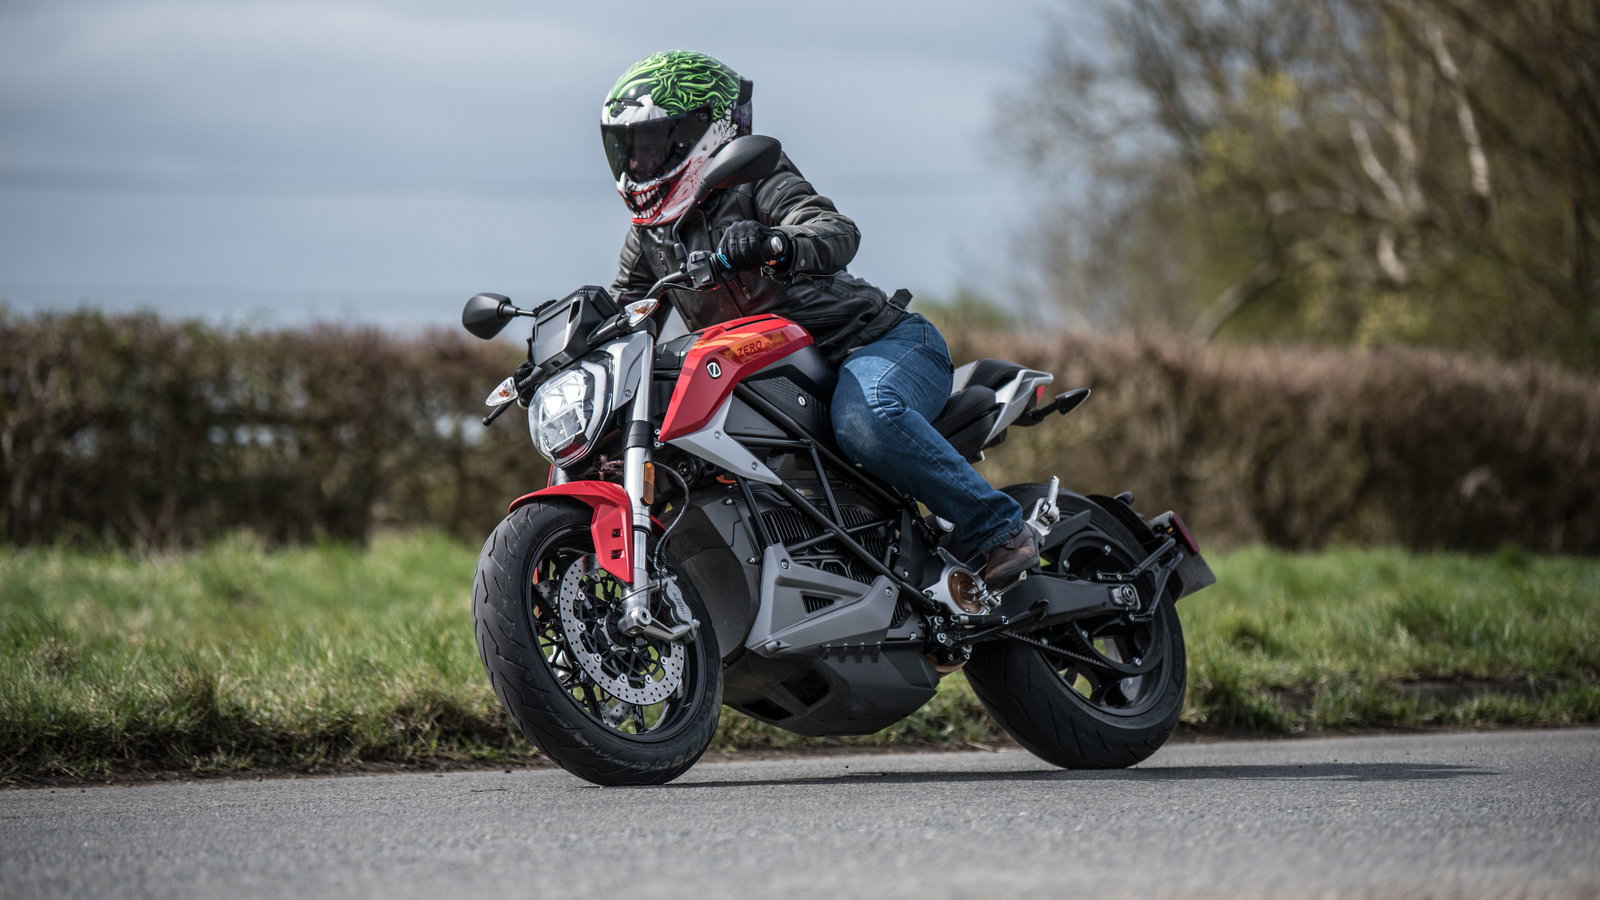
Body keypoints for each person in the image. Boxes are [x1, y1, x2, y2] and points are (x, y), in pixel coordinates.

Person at [602, 50, 1038, 586]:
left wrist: (777, 242)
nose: (639, 162)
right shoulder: (651, 234)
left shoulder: (754, 179)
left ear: (700, 131)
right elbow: (627, 314)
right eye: (631, 147)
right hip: (769, 375)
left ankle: (999, 528)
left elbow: (835, 231)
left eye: (653, 143)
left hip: (871, 344)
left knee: (865, 418)